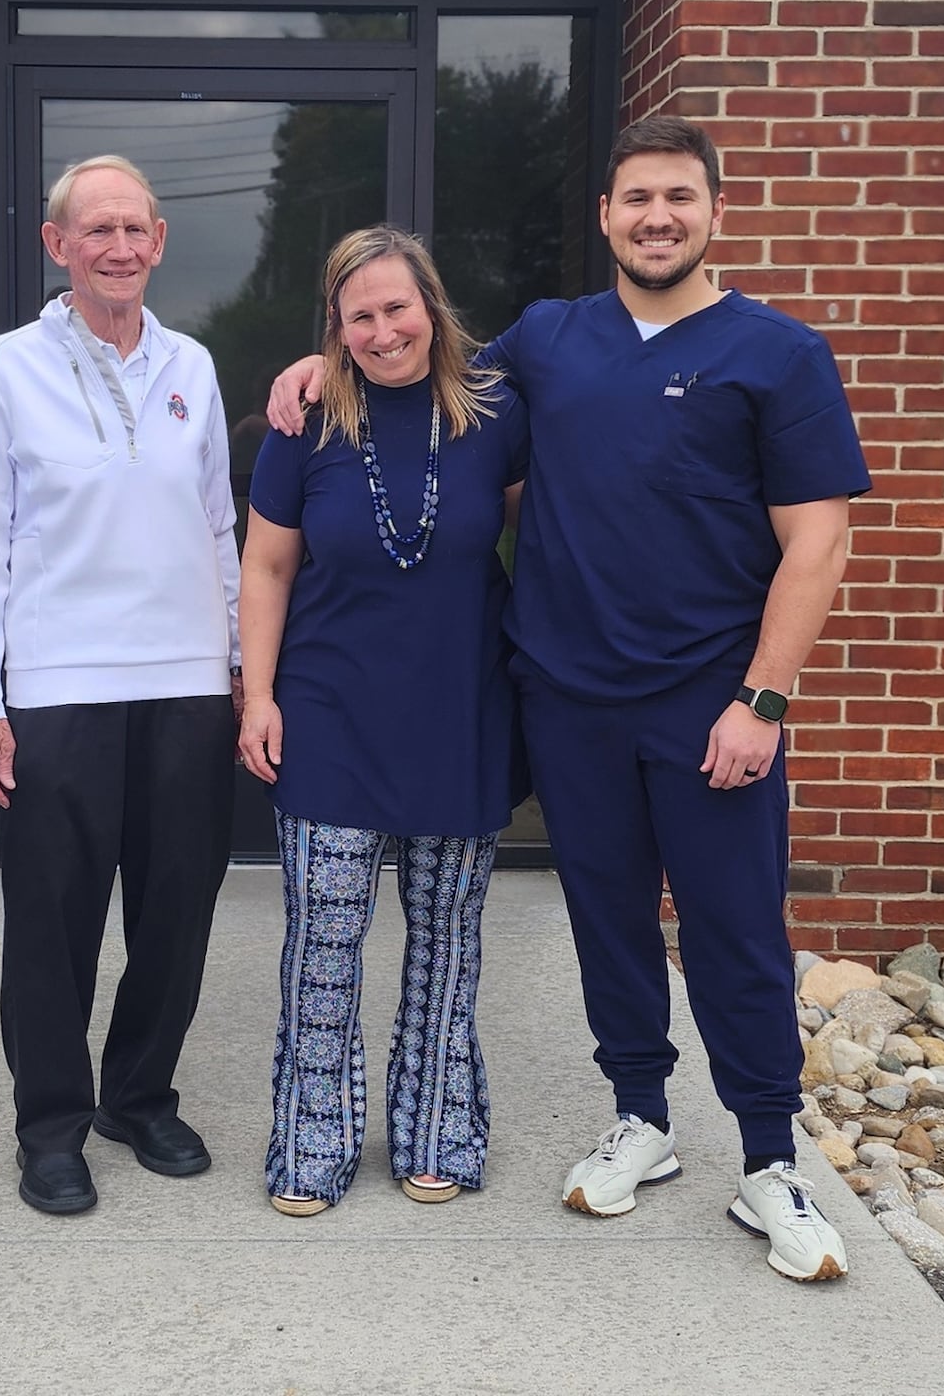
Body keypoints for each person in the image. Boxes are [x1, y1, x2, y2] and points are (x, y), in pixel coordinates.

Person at [267, 117, 869, 1282]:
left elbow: (817, 544)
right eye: (635, 196)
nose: (656, 216)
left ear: (712, 211)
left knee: (735, 930)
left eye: (677, 198)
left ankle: (766, 1161)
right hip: (568, 695)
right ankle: (639, 1117)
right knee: (607, 918)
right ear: (605, 215)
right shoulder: (548, 339)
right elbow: (410, 357)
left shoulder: (778, 353)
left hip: (708, 704)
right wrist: (314, 363)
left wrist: (765, 698)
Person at [0, 156, 242, 1217]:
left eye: (135, 228)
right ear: (56, 242)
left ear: (159, 240)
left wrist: (241, 666)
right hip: (55, 686)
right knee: (52, 920)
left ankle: (138, 1094)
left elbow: (220, 525)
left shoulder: (193, 365)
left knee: (175, 909)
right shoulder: (5, 369)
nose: (118, 246)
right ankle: (51, 1123)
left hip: (184, 685)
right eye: (96, 229)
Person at [239, 227, 528, 1215]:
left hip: (461, 709)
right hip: (326, 712)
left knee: (448, 941)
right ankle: (309, 1144)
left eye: (397, 306)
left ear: (431, 307)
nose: (382, 328)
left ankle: (435, 1130)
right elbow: (266, 566)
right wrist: (257, 693)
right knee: (322, 943)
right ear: (336, 327)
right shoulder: (304, 422)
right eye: (358, 314)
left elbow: (539, 539)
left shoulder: (495, 413)